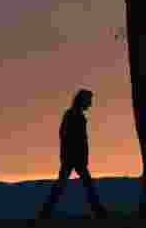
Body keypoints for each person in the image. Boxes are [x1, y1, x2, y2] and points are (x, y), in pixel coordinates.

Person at [38, 89, 107, 219]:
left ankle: (45, 212)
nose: (90, 104)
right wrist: (79, 155)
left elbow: (65, 136)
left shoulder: (72, 115)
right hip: (74, 157)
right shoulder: (76, 116)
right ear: (83, 101)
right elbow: (76, 138)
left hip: (70, 157)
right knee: (86, 184)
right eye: (89, 101)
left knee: (64, 184)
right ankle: (99, 212)